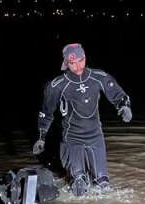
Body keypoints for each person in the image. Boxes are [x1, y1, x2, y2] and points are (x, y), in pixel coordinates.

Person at [33, 43, 132, 195]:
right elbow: (46, 113)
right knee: (79, 186)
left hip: (95, 136)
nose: (78, 66)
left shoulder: (99, 77)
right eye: (73, 63)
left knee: (103, 185)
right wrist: (41, 138)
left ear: (85, 58)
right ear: (66, 63)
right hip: (72, 139)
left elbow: (119, 95)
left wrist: (124, 106)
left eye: (81, 60)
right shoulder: (56, 86)